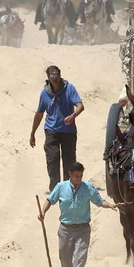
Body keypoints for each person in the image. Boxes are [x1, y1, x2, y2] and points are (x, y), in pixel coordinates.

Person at [38, 162, 118, 267]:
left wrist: (110, 205)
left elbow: (99, 201)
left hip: (83, 229)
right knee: (65, 258)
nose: (79, 178)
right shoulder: (61, 187)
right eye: (76, 176)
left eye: (81, 176)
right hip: (65, 229)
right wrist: (42, 212)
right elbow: (50, 200)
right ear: (70, 174)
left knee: (80, 257)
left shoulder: (88, 187)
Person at [30, 65, 84, 193]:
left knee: (69, 162)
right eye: (52, 75)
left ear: (60, 75)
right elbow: (39, 114)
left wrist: (73, 115)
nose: (55, 78)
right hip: (51, 131)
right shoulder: (45, 93)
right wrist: (32, 133)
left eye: (56, 75)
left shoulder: (69, 88)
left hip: (68, 132)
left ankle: (69, 190)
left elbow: (80, 106)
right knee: (52, 160)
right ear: (48, 77)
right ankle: (55, 190)